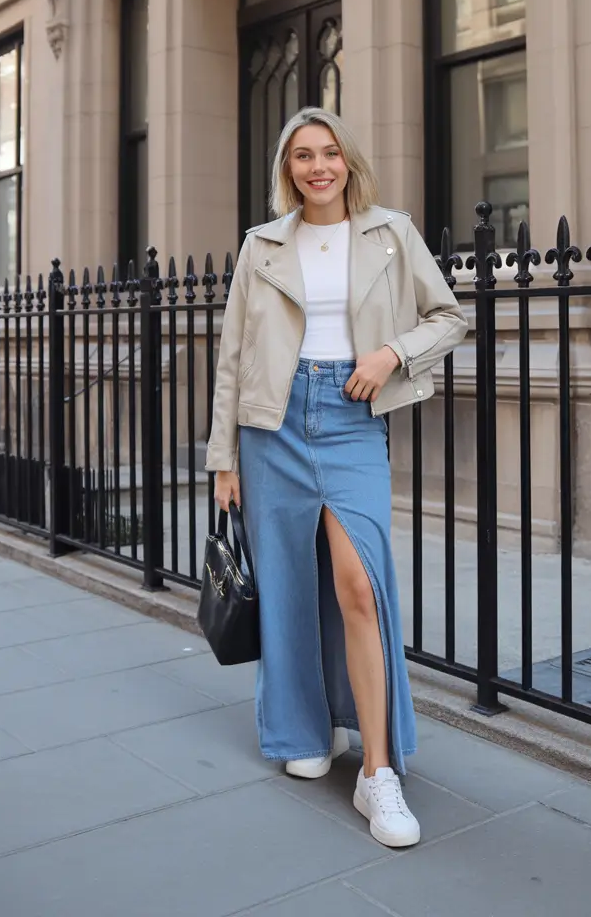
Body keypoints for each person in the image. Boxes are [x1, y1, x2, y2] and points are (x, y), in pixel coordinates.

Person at [205, 106, 467, 848]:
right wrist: (222, 458)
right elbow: (232, 358)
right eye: (300, 157)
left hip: (353, 418)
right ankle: (302, 729)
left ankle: (377, 771)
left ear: (348, 160)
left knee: (359, 585)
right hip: (272, 425)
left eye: (328, 154)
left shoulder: (390, 231)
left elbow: (448, 316)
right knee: (287, 586)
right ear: (287, 171)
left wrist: (389, 355)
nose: (317, 167)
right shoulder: (262, 246)